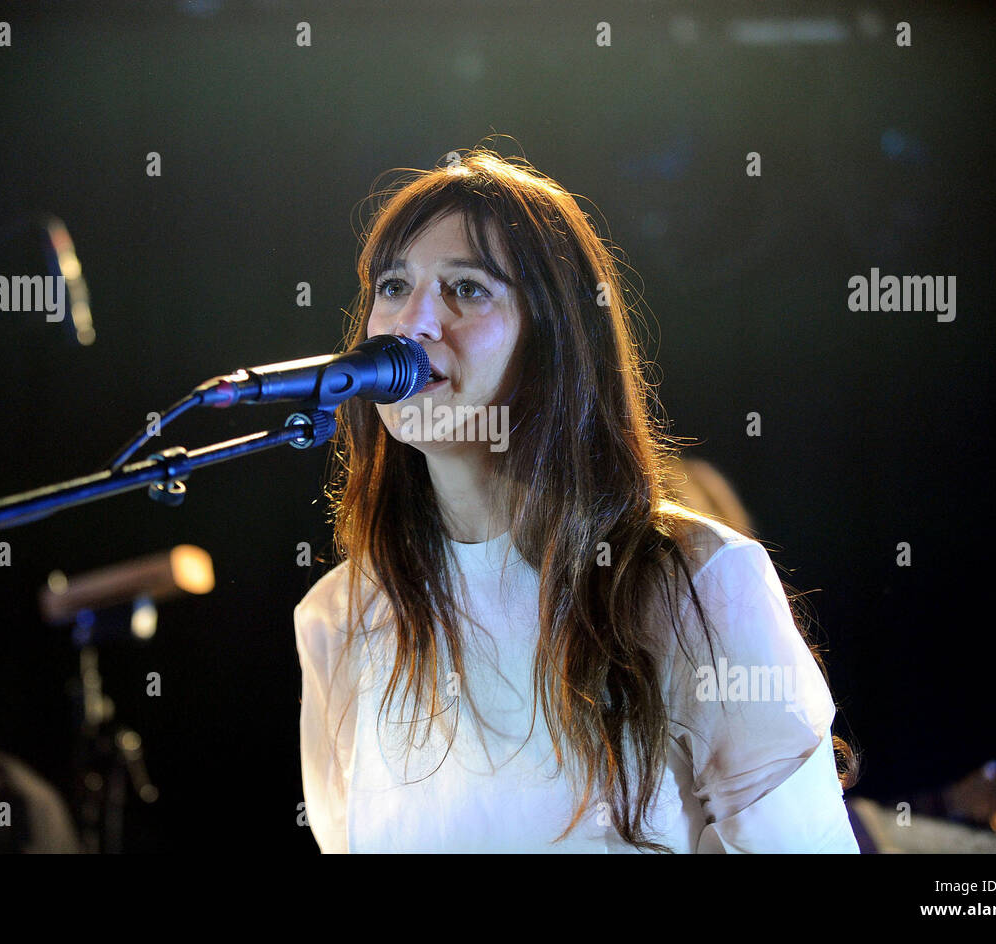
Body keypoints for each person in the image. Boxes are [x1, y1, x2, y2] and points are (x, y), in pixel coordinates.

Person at [294, 144, 860, 853]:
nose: (414, 323)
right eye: (394, 285)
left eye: (467, 289)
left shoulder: (695, 583)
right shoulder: (340, 618)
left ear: (554, 339)